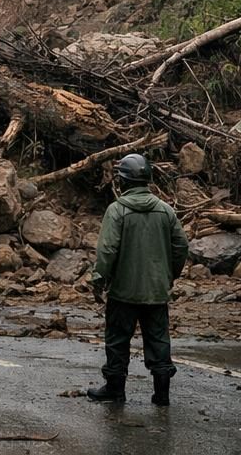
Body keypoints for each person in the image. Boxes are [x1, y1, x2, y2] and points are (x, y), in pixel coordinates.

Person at [86, 153, 189, 406]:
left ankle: (115, 390)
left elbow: (107, 250)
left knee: (118, 340)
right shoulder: (166, 211)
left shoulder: (117, 210)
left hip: (123, 291)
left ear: (123, 182)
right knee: (159, 340)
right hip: (156, 291)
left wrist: (99, 279)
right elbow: (181, 246)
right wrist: (168, 275)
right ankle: (162, 394)